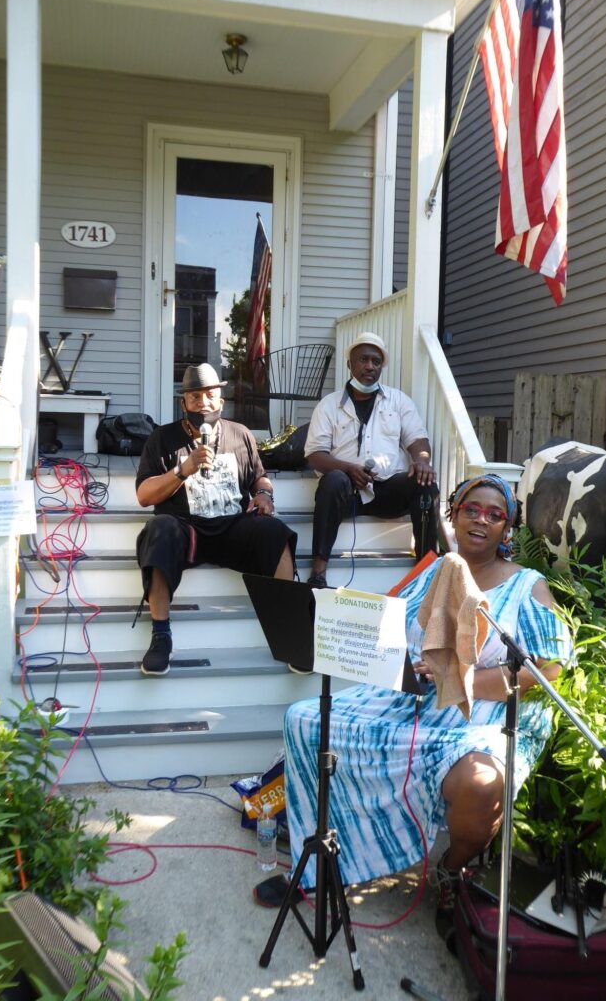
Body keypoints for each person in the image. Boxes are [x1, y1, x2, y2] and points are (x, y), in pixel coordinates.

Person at [254, 475, 573, 941]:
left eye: (495, 514)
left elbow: (550, 668)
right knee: (304, 719)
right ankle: (323, 857)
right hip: (412, 699)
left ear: (509, 528)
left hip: (480, 713)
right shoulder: (436, 570)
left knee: (480, 784)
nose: (481, 520)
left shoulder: (528, 586)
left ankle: (451, 871)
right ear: (455, 514)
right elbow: (389, 624)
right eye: (471, 509)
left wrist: (466, 680)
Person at [135, 363, 297, 676]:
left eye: (210, 395)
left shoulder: (241, 435)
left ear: (221, 400)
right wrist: (183, 470)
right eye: (194, 397)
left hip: (233, 530)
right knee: (159, 529)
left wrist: (265, 497)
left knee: (275, 531)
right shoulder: (162, 439)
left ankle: (290, 630)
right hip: (186, 532)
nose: (203, 403)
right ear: (183, 404)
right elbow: (144, 495)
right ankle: (160, 636)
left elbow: (260, 480)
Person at [304, 331, 438, 588]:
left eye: (376, 361)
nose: (370, 366)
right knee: (332, 481)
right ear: (350, 364)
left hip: (386, 490)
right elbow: (315, 456)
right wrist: (347, 469)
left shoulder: (398, 401)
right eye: (363, 359)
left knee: (425, 485)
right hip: (347, 494)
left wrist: (422, 460)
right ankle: (319, 571)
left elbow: (417, 439)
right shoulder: (329, 405)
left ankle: (427, 572)